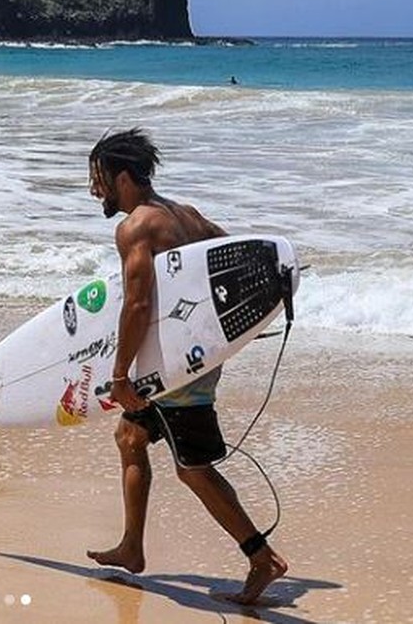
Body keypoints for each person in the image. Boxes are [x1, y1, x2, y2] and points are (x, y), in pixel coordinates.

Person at [85, 128, 288, 605]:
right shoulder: (188, 217)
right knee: (131, 437)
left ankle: (263, 559)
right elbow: (239, 262)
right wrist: (239, 328)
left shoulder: (137, 226)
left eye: (98, 179)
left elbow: (137, 305)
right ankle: (132, 547)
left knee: (193, 468)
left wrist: (120, 375)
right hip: (186, 358)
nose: (94, 189)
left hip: (175, 372)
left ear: (122, 177)